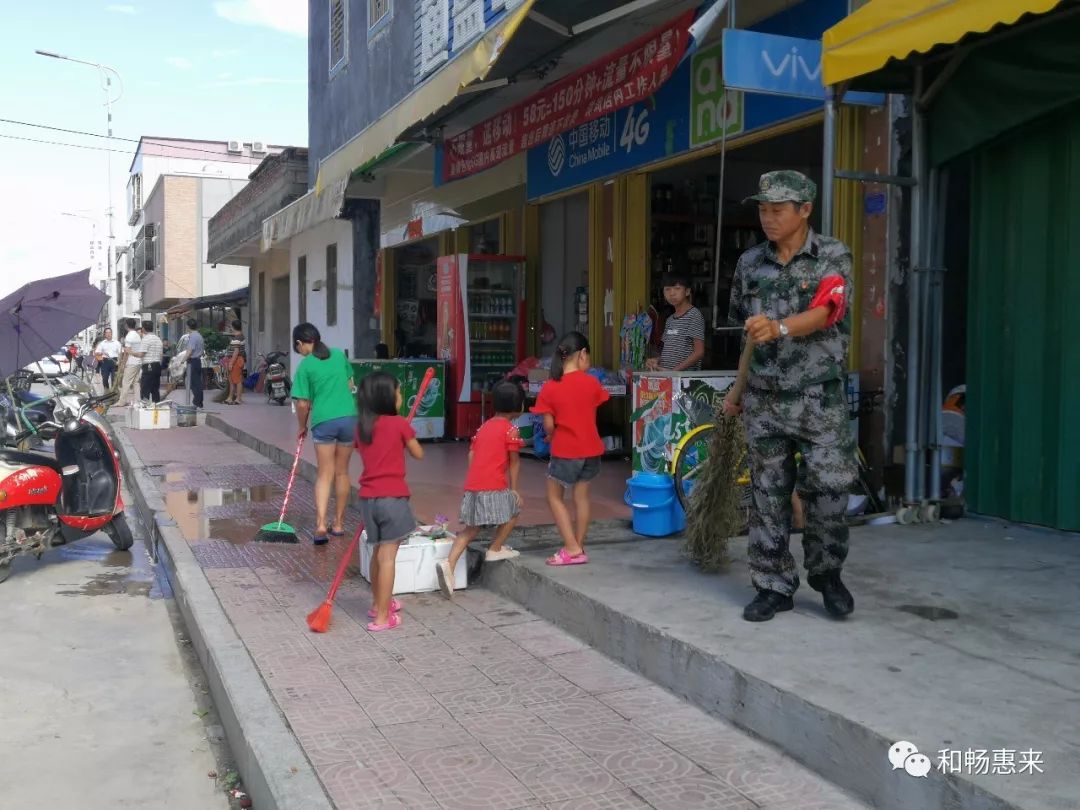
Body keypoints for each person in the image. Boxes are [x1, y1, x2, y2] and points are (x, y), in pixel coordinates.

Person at [726, 170, 856, 623]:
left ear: (805, 210)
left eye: (778, 210)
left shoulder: (832, 256)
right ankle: (772, 584)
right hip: (764, 400)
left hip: (819, 399)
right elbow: (748, 335)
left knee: (828, 491)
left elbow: (826, 311)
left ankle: (827, 575)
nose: (768, 218)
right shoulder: (749, 264)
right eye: (763, 209)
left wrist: (779, 327)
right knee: (767, 494)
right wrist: (737, 390)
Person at [437, 381, 525, 599]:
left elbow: (471, 455)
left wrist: (476, 477)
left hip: (474, 486)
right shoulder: (511, 430)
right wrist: (515, 490)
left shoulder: (483, 426)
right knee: (514, 510)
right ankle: (495, 548)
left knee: (470, 529)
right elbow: (514, 462)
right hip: (494, 485)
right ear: (518, 407)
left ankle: (449, 564)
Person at [531, 331, 609, 566]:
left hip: (565, 450)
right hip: (591, 449)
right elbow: (591, 415)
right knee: (582, 497)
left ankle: (571, 547)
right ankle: (579, 546)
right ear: (583, 354)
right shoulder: (593, 383)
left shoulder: (550, 387)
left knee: (554, 497)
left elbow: (548, 424)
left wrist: (550, 435)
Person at [354, 372, 424, 631]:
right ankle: (383, 617)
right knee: (388, 557)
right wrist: (406, 437)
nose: (401, 396)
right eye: (397, 392)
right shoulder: (399, 425)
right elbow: (419, 453)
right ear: (386, 397)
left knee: (376, 553)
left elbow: (368, 450)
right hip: (393, 498)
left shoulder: (362, 428)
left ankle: (378, 603)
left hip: (368, 500)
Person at [291, 323, 358, 545]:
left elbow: (302, 404)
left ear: (300, 343)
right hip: (349, 418)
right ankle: (338, 524)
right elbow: (350, 385)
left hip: (324, 421)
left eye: (297, 347)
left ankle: (321, 525)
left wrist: (302, 426)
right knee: (342, 473)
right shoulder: (339, 355)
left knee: (325, 474)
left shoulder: (305, 366)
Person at [646, 272, 705, 371]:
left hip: (685, 381)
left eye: (677, 288)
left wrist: (675, 372)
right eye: (667, 289)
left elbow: (699, 352)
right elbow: (669, 353)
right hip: (669, 378)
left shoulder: (694, 315)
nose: (672, 293)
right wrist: (656, 360)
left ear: (687, 291)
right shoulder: (670, 320)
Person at [116, 318, 143, 406]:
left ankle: (122, 401)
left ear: (126, 325)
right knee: (136, 382)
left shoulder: (129, 336)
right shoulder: (137, 335)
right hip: (138, 362)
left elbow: (127, 352)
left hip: (131, 362)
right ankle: (138, 400)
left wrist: (123, 364)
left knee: (126, 382)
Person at [137, 320, 164, 403]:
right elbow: (161, 355)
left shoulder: (146, 339)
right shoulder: (158, 339)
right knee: (155, 389)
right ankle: (156, 407)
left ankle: (145, 409)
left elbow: (141, 354)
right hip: (157, 366)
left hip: (148, 366)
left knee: (145, 389)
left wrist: (130, 352)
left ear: (143, 329)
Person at [224, 319, 246, 405]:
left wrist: (231, 363)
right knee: (231, 380)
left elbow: (236, 352)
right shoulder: (239, 336)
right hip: (235, 360)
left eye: (231, 326)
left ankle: (238, 398)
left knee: (237, 380)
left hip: (236, 360)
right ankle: (230, 397)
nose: (230, 328)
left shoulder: (238, 337)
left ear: (233, 327)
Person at [185, 319, 205, 409]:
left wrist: (182, 360)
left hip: (193, 361)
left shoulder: (193, 336)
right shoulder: (199, 336)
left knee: (194, 383)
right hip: (198, 360)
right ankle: (199, 401)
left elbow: (189, 351)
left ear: (188, 327)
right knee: (197, 382)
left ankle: (197, 402)